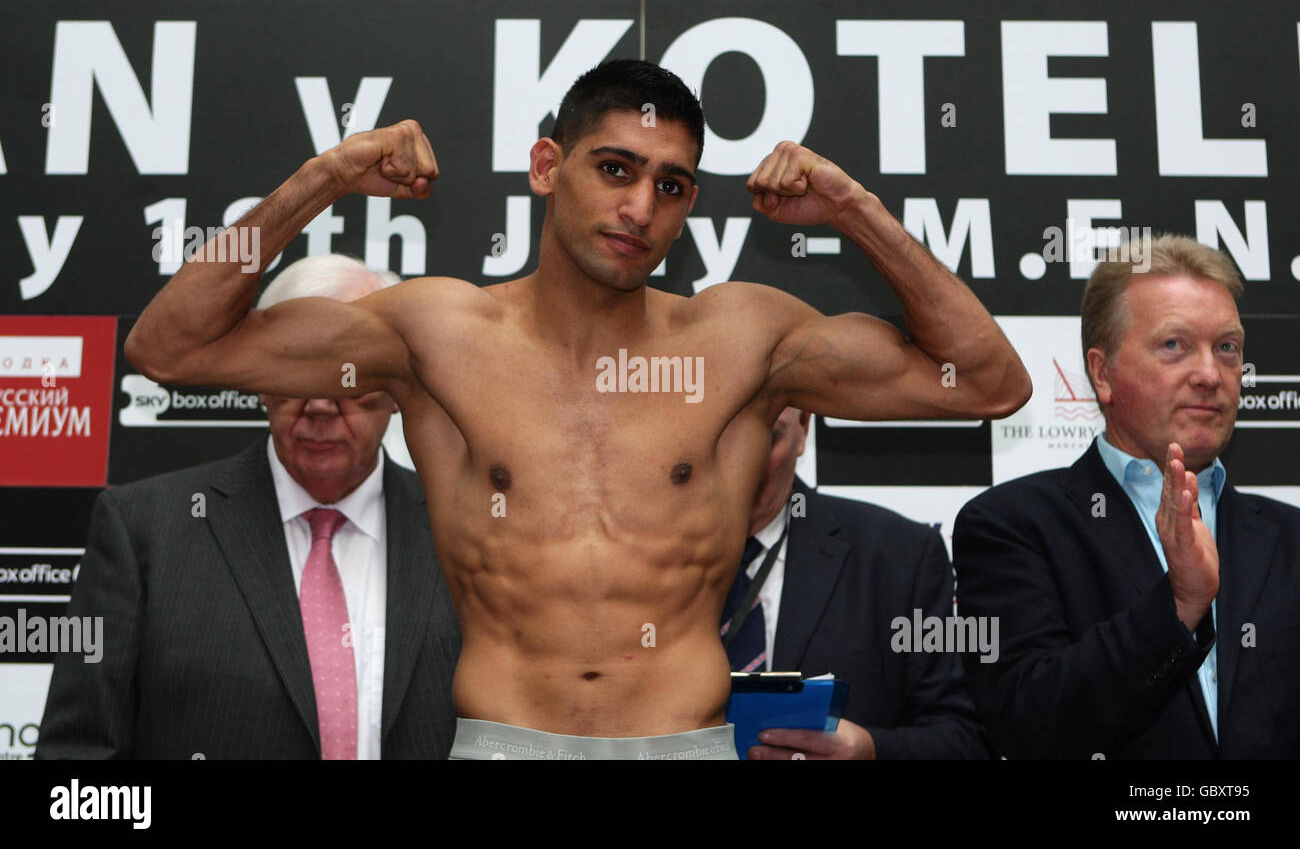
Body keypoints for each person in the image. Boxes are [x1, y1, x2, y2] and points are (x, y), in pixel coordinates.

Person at [124, 60, 1031, 760]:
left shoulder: (742, 339)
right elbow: (172, 349)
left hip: (685, 742)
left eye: (670, 186)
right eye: (616, 169)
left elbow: (988, 381)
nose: (640, 207)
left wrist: (857, 210)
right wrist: (319, 180)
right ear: (547, 166)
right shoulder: (436, 334)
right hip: (505, 742)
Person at [37, 255, 460, 760]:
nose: (321, 404)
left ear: (398, 387)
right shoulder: (144, 530)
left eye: (347, 373)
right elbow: (76, 761)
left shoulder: (469, 527)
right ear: (257, 379)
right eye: (298, 366)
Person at [953, 234, 1300, 758]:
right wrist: (1180, 606)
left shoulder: (1290, 538)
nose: (1211, 374)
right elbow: (1030, 724)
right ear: (1102, 372)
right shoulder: (1013, 526)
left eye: (1226, 347)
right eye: (1174, 345)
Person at [725, 408, 990, 759]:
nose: (748, 464)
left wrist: (870, 750)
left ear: (804, 427)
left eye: (770, 437)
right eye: (727, 438)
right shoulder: (633, 558)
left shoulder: (901, 557)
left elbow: (966, 739)